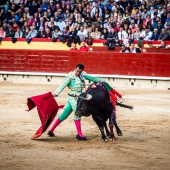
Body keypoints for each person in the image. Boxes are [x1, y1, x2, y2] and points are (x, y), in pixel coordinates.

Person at [47, 63, 105, 140]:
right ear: (75, 68)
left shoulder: (83, 75)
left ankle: (51, 131)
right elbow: (63, 85)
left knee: (65, 114)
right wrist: (56, 93)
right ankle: (79, 134)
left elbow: (92, 78)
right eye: (77, 71)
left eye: (79, 72)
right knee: (77, 114)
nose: (77, 73)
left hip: (80, 96)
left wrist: (101, 80)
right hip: (73, 97)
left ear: (82, 71)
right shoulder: (70, 76)